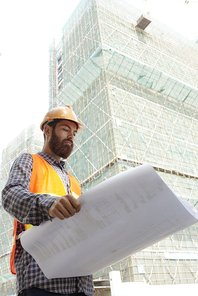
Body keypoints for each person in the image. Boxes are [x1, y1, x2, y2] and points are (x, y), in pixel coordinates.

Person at [1, 105, 95, 296]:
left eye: (74, 133)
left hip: (81, 282)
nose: (71, 136)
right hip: (42, 281)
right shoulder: (29, 161)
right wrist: (49, 205)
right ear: (47, 130)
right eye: (65, 129)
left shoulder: (74, 182)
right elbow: (10, 195)